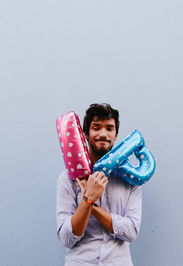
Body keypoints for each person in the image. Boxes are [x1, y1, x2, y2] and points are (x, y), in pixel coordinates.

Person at [56, 103, 143, 266]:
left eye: (109, 128)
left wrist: (90, 203)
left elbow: (131, 232)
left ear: (116, 135)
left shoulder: (131, 179)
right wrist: (88, 199)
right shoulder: (68, 179)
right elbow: (66, 238)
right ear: (86, 134)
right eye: (96, 127)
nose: (103, 134)